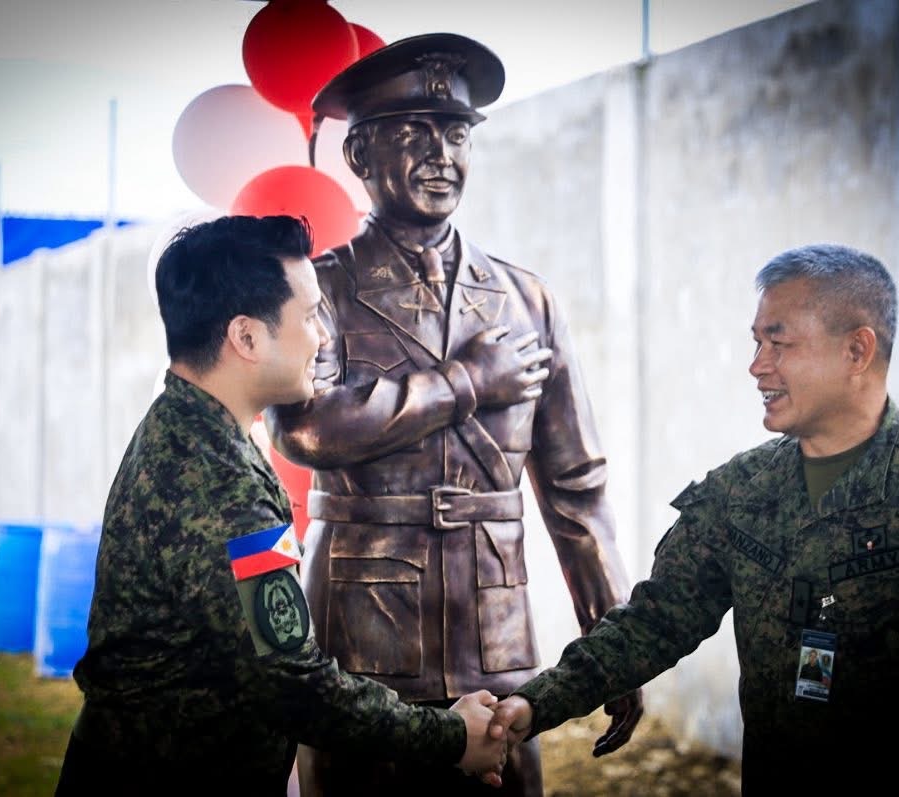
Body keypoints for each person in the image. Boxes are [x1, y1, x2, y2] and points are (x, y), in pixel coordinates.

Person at [488, 244, 899, 792]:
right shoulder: (741, 491)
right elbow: (655, 620)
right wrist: (532, 706)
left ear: (857, 350)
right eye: (757, 342)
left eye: (779, 343)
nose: (757, 366)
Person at [264, 32, 640, 796]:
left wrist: (617, 642)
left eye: (457, 134)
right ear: (360, 155)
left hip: (493, 636)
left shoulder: (526, 299)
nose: (442, 154)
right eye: (415, 133)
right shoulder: (320, 290)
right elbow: (305, 427)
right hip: (361, 635)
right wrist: (466, 381)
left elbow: (578, 489)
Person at [54, 215, 506, 796]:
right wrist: (451, 736)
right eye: (310, 315)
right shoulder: (222, 487)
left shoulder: (186, 424)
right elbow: (294, 685)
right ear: (246, 338)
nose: (322, 337)